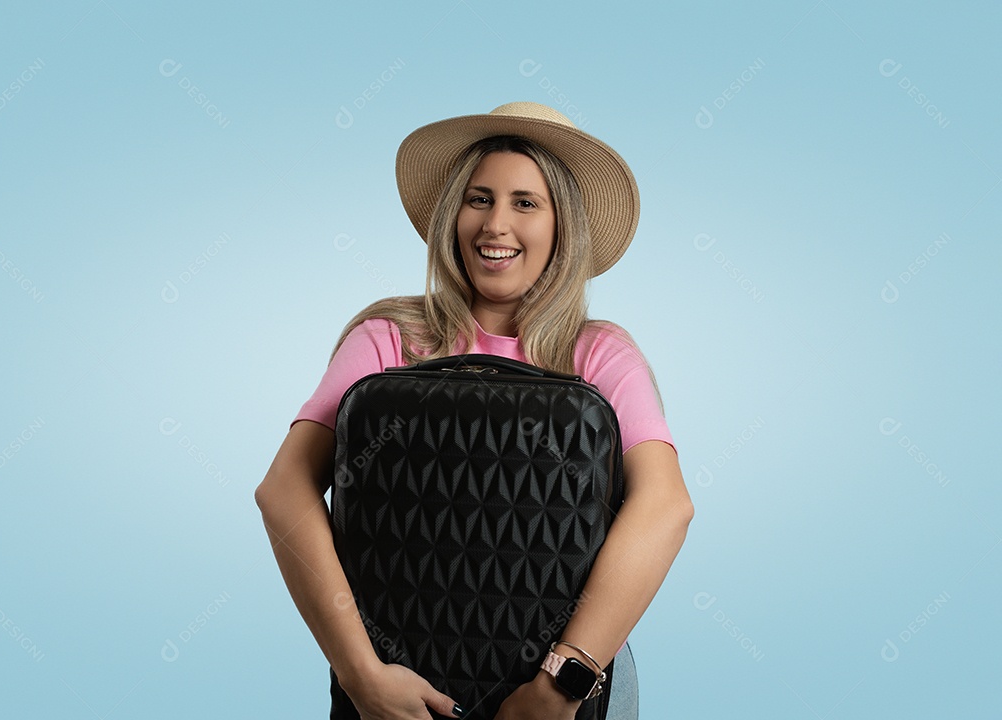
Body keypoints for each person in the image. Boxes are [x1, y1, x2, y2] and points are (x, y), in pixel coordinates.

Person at [255, 101, 694, 720]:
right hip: (391, 687)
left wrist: (559, 685)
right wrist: (363, 676)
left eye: (525, 203)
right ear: (451, 214)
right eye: (479, 198)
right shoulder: (389, 337)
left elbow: (665, 506)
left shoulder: (598, 352)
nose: (496, 225)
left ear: (561, 225)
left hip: (568, 686)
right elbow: (284, 490)